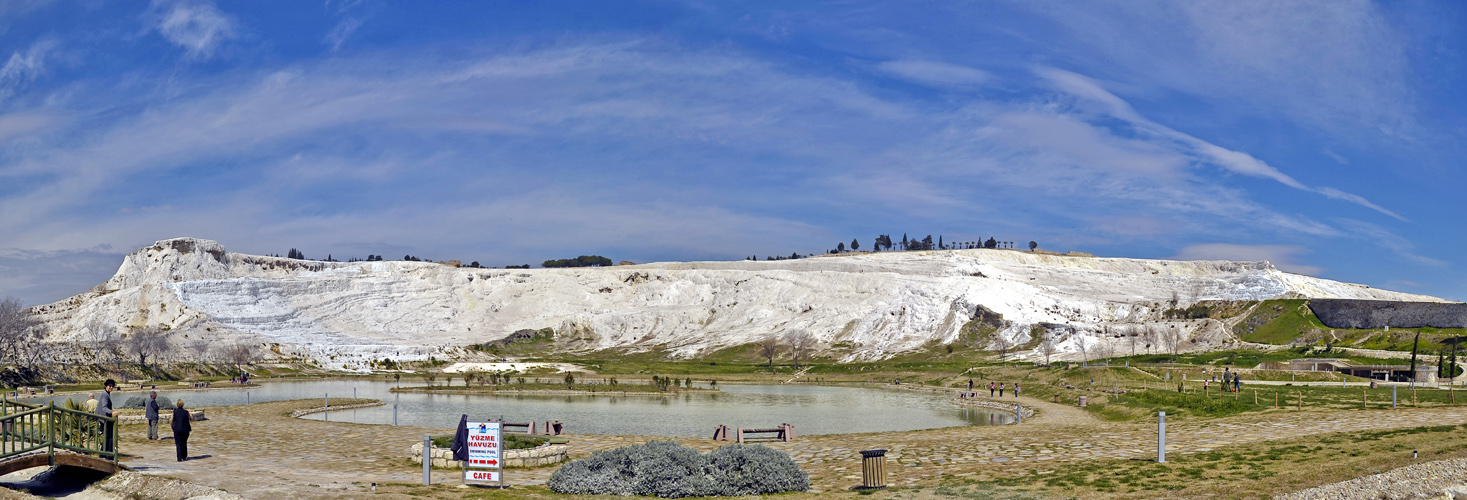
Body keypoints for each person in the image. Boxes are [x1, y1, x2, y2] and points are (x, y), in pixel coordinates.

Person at [96, 379, 120, 453]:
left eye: (112, 386)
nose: (111, 387)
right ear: (106, 386)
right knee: (108, 437)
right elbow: (104, 407)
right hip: (104, 419)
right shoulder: (105, 395)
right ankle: (106, 455)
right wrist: (112, 412)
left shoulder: (106, 394)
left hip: (104, 419)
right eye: (110, 386)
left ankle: (106, 455)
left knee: (108, 437)